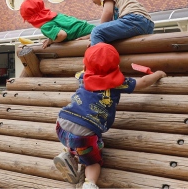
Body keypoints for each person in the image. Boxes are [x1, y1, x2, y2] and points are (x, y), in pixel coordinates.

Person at [54, 43, 166, 188]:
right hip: (85, 133)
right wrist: (158, 74)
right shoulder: (118, 84)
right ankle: (90, 183)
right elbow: (143, 82)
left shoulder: (83, 76)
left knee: (74, 141)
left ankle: (68, 155)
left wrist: (91, 54)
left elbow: (90, 66)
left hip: (62, 123)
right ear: (116, 66)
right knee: (93, 161)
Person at [20, 0, 95, 49]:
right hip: (92, 29)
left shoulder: (45, 27)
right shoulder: (57, 16)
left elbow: (62, 35)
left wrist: (51, 40)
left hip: (89, 35)